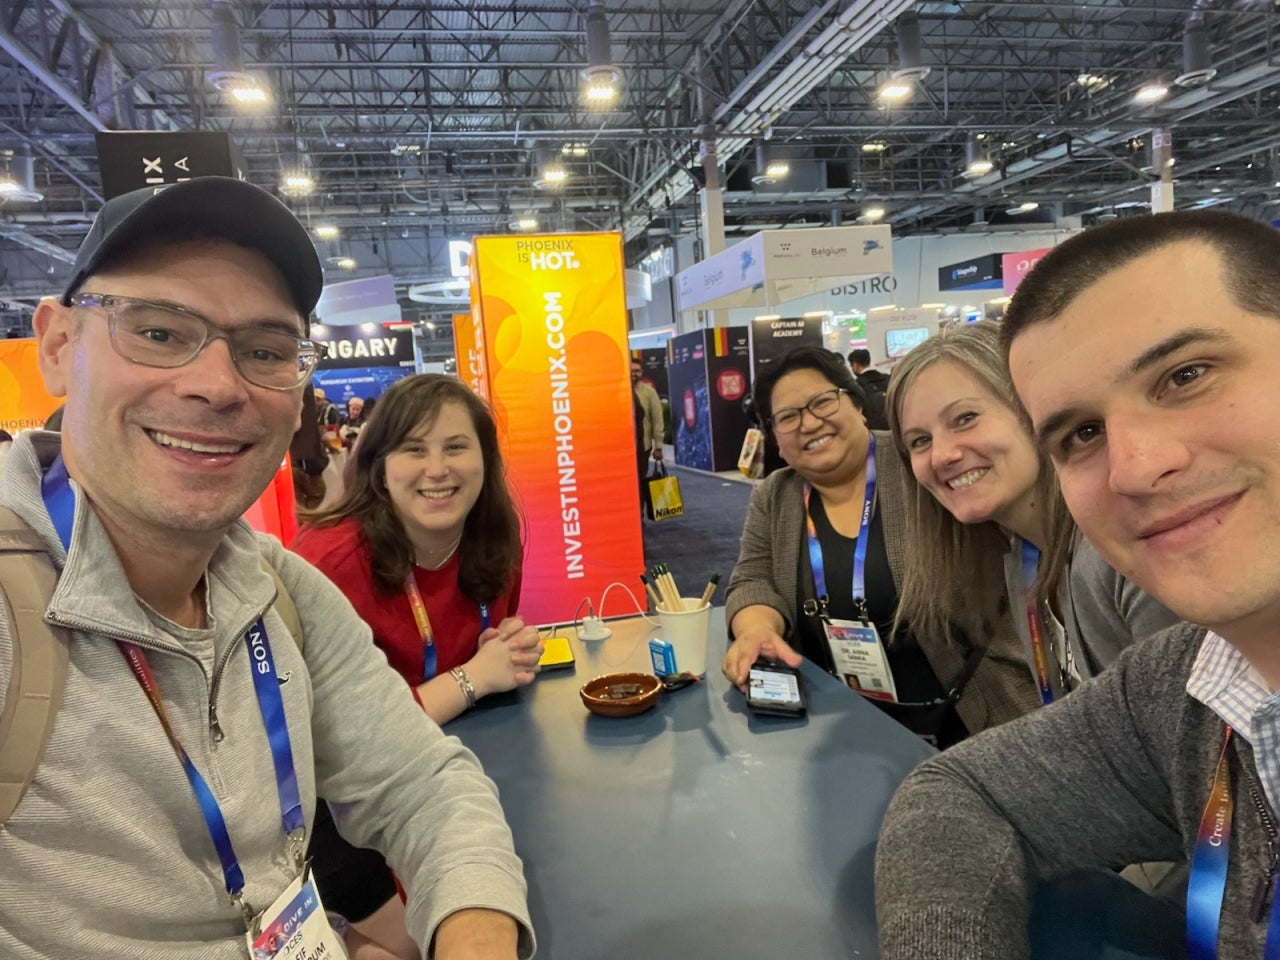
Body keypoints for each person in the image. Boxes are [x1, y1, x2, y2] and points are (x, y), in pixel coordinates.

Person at [0, 176, 533, 960]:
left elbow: (424, 785)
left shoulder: (277, 588)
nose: (218, 386)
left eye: (264, 351)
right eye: (158, 332)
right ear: (56, 346)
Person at [876, 210, 1280, 959]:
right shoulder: (1178, 682)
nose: (1136, 466)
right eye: (1082, 433)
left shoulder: (1142, 585)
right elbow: (961, 792)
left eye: (1185, 376)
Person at [292, 373, 542, 957]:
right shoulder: (326, 564)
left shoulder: (495, 537)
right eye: (413, 449)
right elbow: (330, 742)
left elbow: (484, 643)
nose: (437, 469)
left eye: (455, 447)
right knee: (413, 946)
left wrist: (505, 648)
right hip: (346, 809)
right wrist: (473, 679)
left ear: (485, 459)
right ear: (379, 465)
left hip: (458, 774)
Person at [722, 346, 1041, 748]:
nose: (809, 423)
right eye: (788, 417)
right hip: (840, 728)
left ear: (857, 404)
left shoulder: (919, 462)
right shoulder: (776, 495)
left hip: (971, 720)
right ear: (775, 438)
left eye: (822, 402)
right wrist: (756, 630)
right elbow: (753, 577)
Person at [887, 320, 1178, 693]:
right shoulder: (1022, 560)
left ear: (1037, 413)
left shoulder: (1128, 549)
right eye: (920, 441)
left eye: (965, 419)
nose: (942, 455)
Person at [631, 358, 664, 515]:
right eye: (631, 371)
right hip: (624, 449)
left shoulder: (649, 393)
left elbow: (657, 419)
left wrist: (658, 446)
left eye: (637, 371)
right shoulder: (620, 391)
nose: (634, 374)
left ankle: (639, 515)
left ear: (642, 373)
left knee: (639, 481)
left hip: (642, 446)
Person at [847, 347, 890, 430]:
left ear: (855, 365)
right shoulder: (887, 378)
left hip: (871, 430)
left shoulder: (856, 385)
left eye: (851, 366)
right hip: (892, 427)